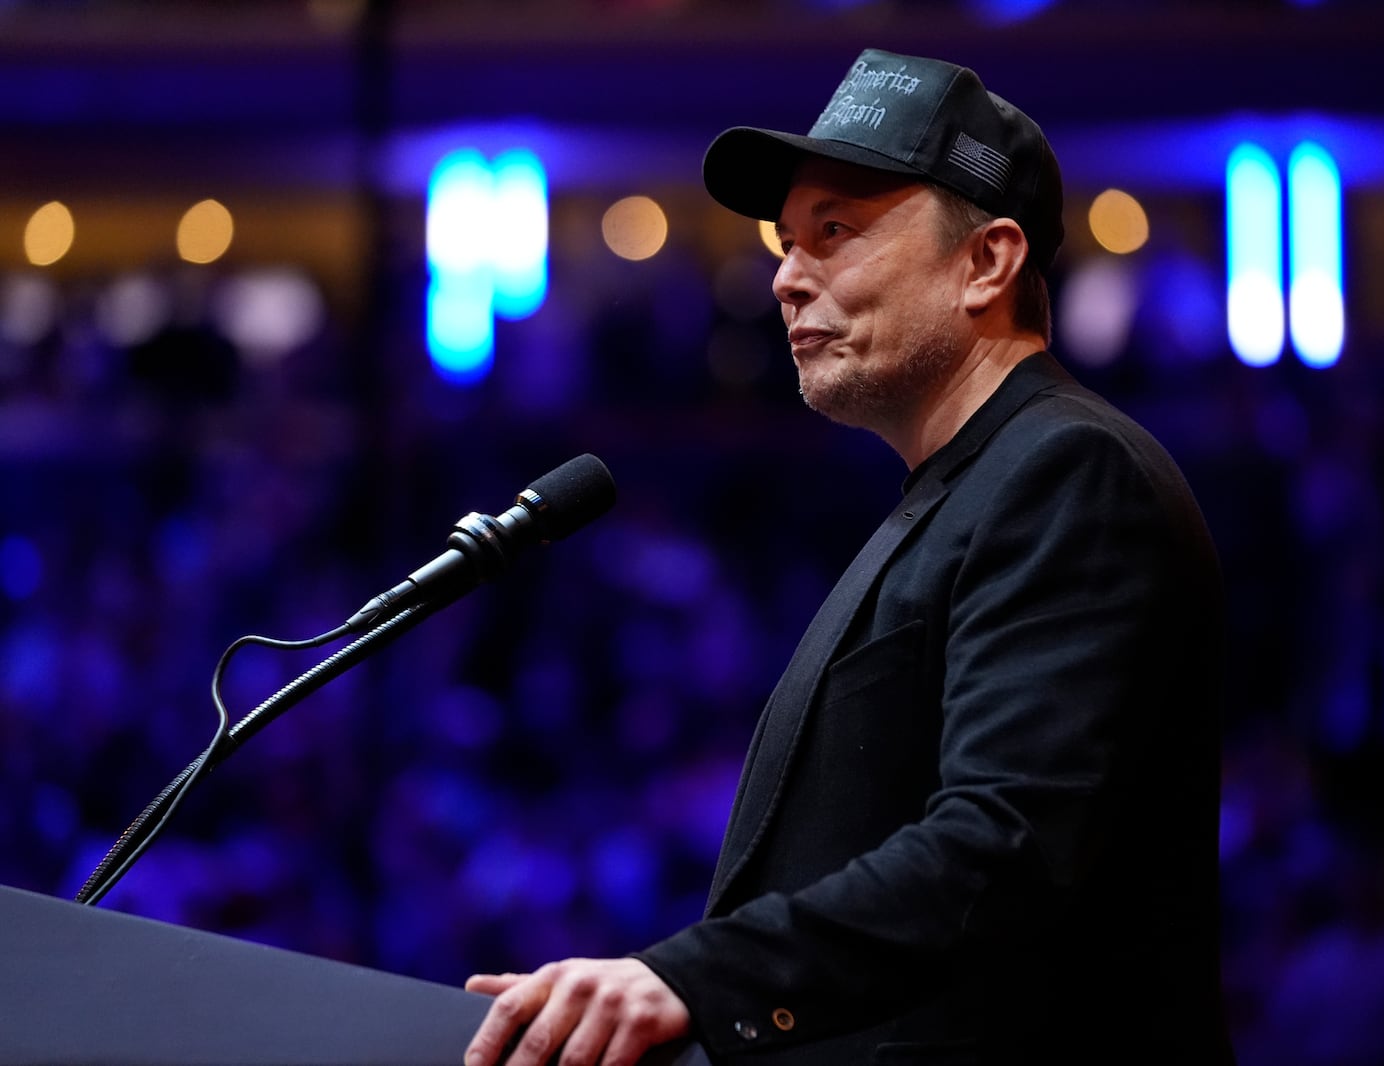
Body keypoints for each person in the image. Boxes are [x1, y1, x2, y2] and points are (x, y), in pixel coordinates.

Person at [465, 48, 1233, 1066]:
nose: (785, 276)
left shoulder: (1068, 470)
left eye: (835, 232)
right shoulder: (972, 482)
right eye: (787, 241)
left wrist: (691, 980)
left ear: (987, 263)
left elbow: (1001, 846)